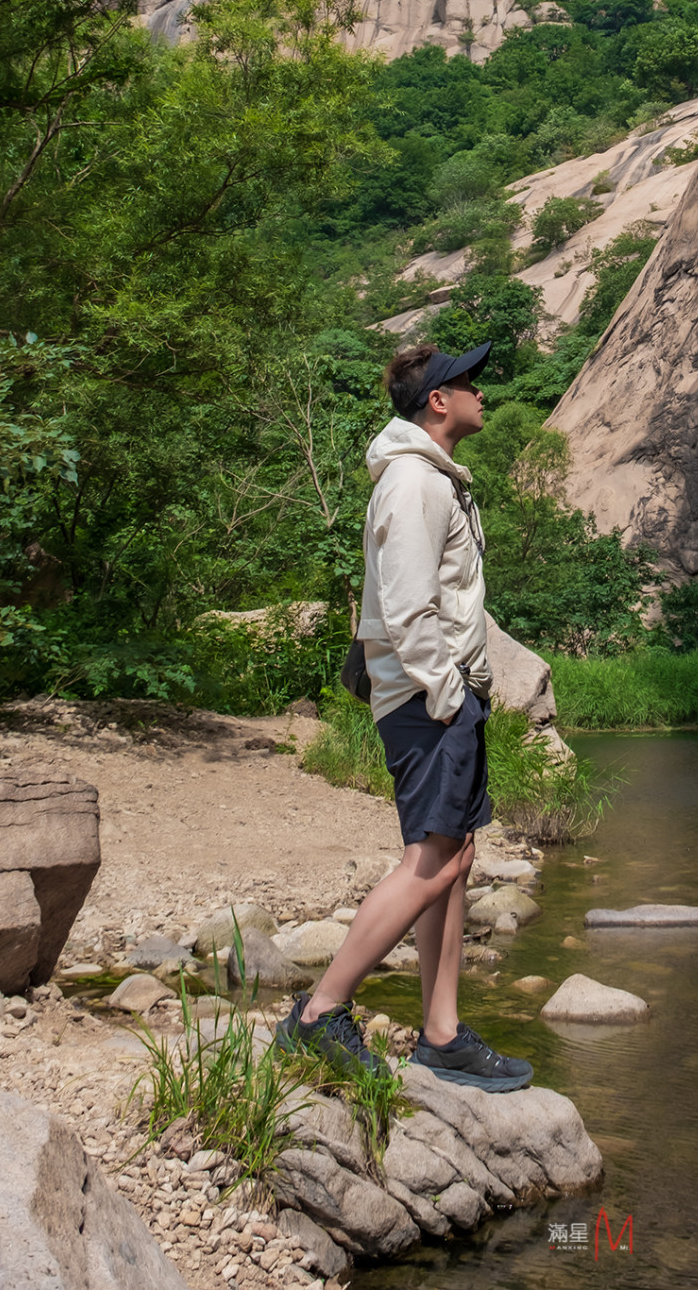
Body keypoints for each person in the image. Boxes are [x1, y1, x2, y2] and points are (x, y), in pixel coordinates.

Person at [274, 339, 533, 1092]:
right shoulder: (415, 484)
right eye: (468, 382)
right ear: (437, 401)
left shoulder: (428, 477)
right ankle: (320, 1011)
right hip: (429, 699)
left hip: (437, 695)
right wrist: (449, 696)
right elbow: (412, 607)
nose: (482, 391)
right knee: (437, 860)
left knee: (454, 859)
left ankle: (442, 1033)